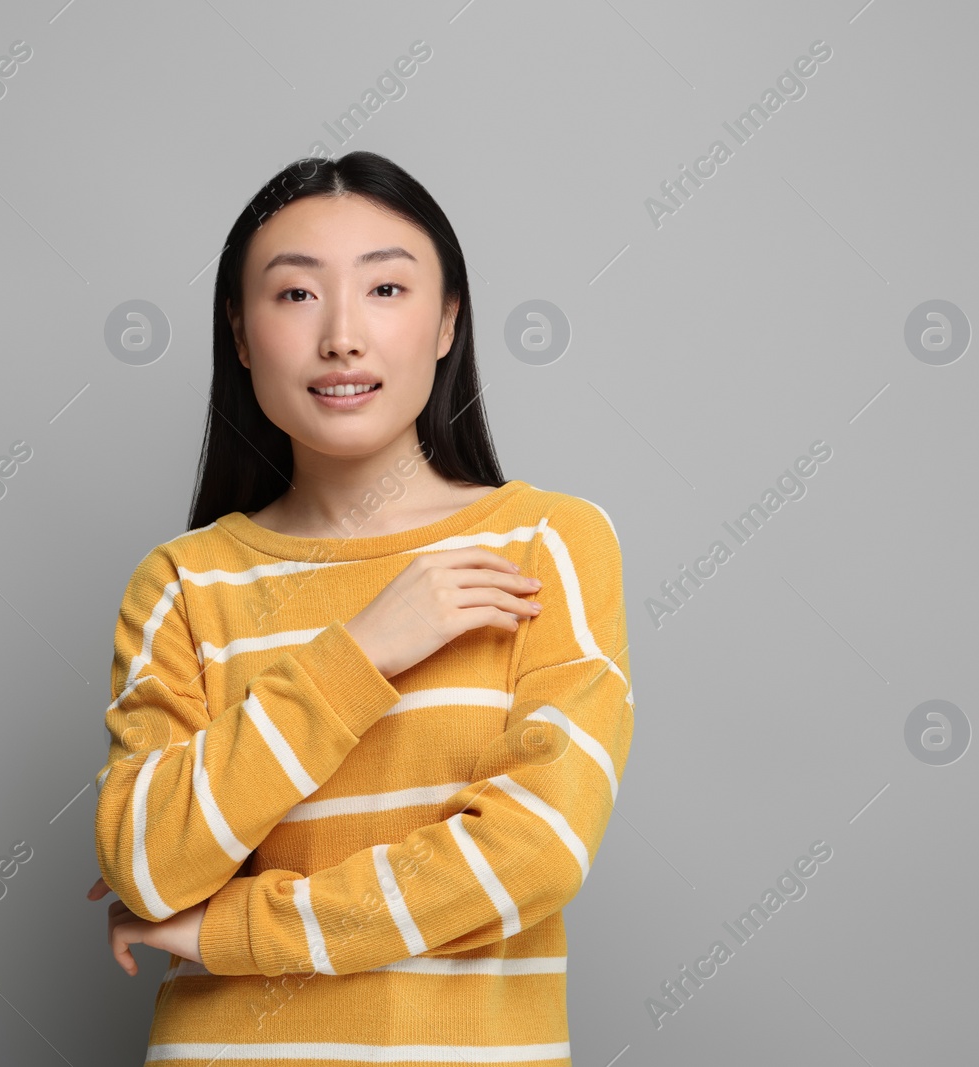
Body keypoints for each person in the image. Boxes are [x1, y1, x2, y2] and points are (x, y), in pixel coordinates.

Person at [87, 149, 633, 1065]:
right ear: (240, 330)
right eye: (296, 295)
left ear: (447, 321)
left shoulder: (548, 544)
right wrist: (363, 652)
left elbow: (533, 853)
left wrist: (231, 929)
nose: (342, 335)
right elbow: (144, 861)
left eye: (386, 289)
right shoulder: (184, 582)